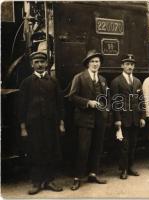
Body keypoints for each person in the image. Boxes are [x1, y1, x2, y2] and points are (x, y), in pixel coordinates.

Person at [19, 51, 65, 195]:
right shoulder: (26, 83)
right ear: (32, 64)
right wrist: (23, 127)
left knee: (51, 151)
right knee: (36, 152)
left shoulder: (53, 82)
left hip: (51, 125)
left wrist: (61, 123)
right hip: (34, 126)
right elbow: (21, 107)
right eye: (36, 62)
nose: (40, 65)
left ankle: (50, 181)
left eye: (42, 62)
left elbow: (60, 104)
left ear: (47, 64)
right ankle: (37, 182)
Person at [68, 49, 109, 190]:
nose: (95, 64)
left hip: (99, 119)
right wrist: (88, 102)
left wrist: (105, 111)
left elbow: (105, 99)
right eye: (92, 61)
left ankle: (93, 174)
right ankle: (77, 177)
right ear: (87, 64)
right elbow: (72, 97)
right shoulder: (79, 77)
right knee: (83, 149)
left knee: (97, 148)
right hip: (84, 119)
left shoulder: (102, 80)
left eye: (97, 61)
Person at [110, 54, 146, 179]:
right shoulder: (116, 81)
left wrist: (142, 117)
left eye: (131, 64)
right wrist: (117, 119)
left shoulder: (137, 81)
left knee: (133, 144)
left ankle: (130, 167)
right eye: (127, 64)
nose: (130, 66)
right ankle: (123, 169)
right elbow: (115, 102)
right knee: (124, 146)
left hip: (135, 118)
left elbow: (141, 100)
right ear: (122, 66)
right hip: (123, 119)